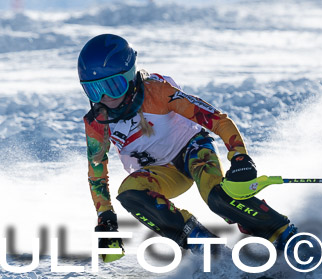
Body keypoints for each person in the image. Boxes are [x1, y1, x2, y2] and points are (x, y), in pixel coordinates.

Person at [78, 34, 299, 263]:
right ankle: (207, 248)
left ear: (130, 77)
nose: (105, 97)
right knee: (130, 193)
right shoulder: (97, 122)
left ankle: (283, 234)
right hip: (163, 172)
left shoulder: (158, 91)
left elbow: (217, 120)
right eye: (93, 91)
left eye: (113, 86)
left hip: (193, 152)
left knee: (218, 196)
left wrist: (240, 156)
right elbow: (97, 174)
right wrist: (106, 216)